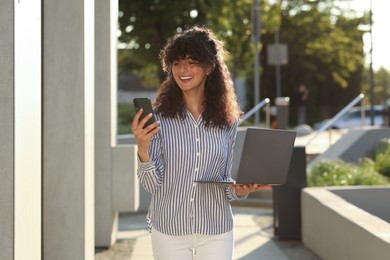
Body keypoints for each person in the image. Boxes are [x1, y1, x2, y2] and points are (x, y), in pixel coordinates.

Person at [131, 25, 265, 260]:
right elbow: (152, 185)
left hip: (216, 228)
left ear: (209, 67)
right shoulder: (158, 119)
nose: (183, 69)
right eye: (176, 62)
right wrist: (143, 147)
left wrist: (239, 190)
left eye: (192, 61)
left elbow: (225, 182)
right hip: (169, 228)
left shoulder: (228, 121)